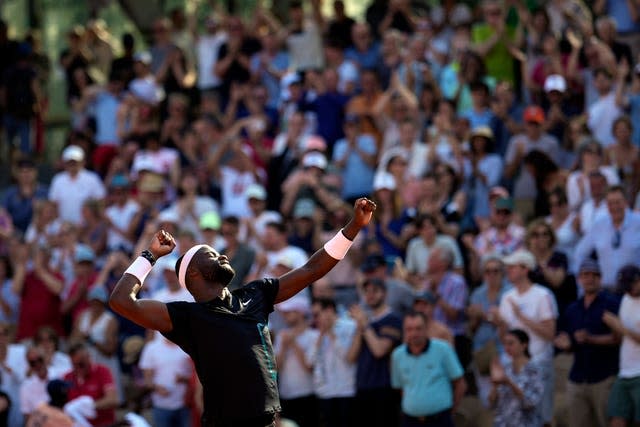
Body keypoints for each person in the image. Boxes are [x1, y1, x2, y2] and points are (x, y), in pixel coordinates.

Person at [109, 198, 376, 426]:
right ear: (193, 272)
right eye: (212, 255)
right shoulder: (186, 317)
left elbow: (311, 270)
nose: (223, 256)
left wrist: (353, 228)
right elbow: (122, 301)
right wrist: (150, 256)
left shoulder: (256, 294)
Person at [554, 259, 620, 427]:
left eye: (594, 275)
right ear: (579, 279)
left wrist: (591, 339)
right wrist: (566, 344)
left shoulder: (612, 303)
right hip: (577, 377)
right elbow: (568, 340)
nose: (590, 279)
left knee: (606, 422)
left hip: (604, 377)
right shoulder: (572, 309)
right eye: (585, 275)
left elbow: (619, 338)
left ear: (601, 278)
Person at [391, 311, 466, 427]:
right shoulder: (397, 355)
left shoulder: (443, 349)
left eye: (418, 328)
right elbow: (401, 388)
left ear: (426, 329)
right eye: (409, 329)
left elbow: (460, 383)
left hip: (440, 419)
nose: (414, 333)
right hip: (410, 420)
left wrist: (451, 412)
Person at [347, 278, 403, 427]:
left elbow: (379, 350)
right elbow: (351, 357)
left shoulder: (393, 319)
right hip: (362, 386)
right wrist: (361, 326)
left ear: (384, 294)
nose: (370, 295)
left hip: (384, 388)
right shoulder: (365, 321)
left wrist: (364, 325)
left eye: (375, 291)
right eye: (367, 292)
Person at [602, 265, 640, 427]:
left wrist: (619, 327)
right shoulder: (625, 299)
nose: (628, 291)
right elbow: (619, 336)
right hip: (624, 372)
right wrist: (613, 327)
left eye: (630, 286)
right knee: (616, 419)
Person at [489, 329, 544, 427]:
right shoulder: (505, 368)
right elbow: (492, 403)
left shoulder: (535, 370)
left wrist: (509, 383)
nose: (507, 348)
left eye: (511, 344)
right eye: (505, 344)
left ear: (524, 345)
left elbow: (531, 402)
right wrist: (494, 386)